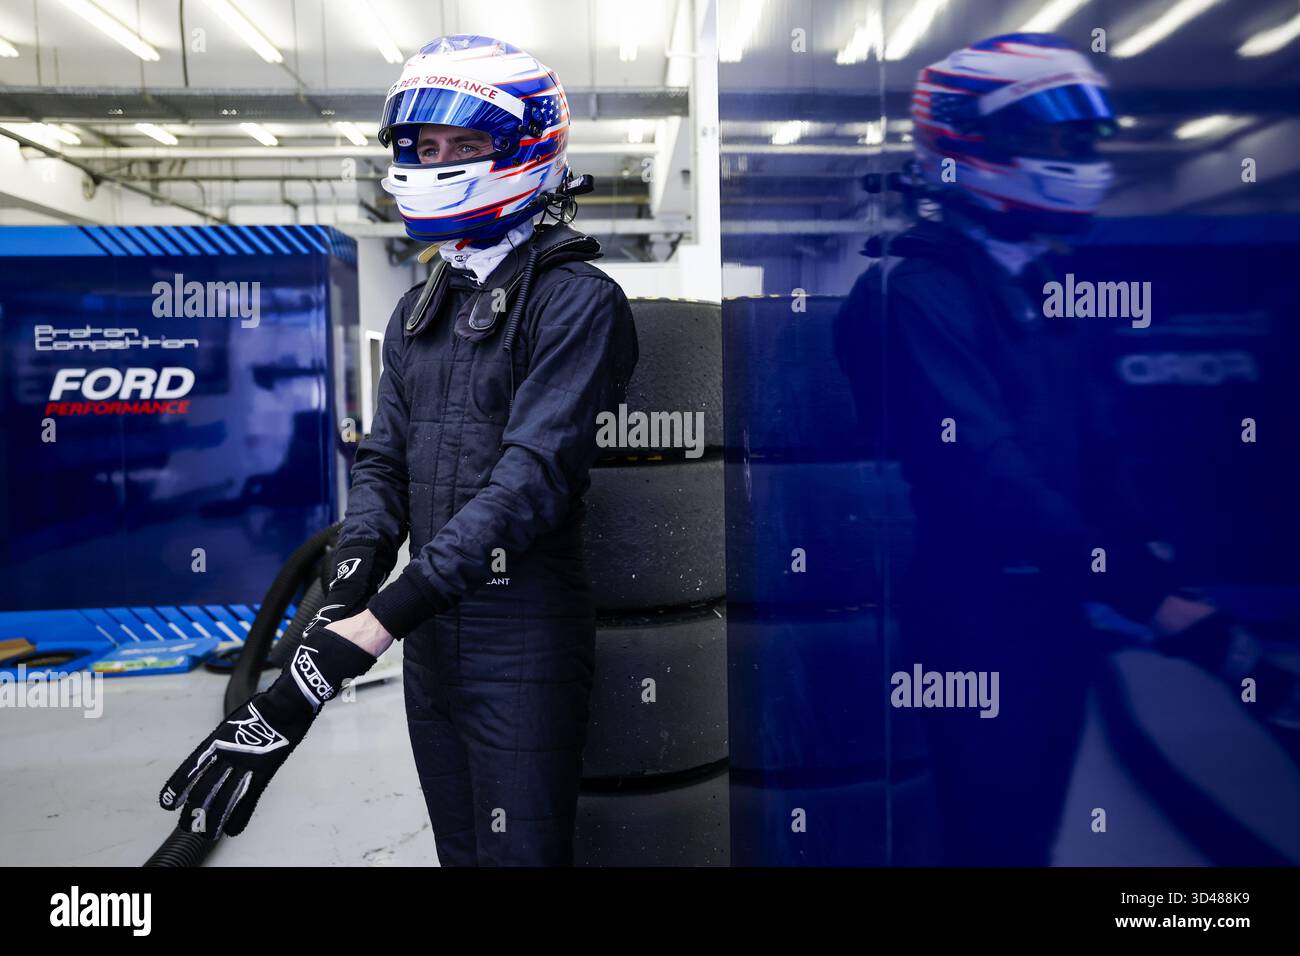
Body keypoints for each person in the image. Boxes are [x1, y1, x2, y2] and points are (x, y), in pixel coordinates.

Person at [160, 34, 639, 866]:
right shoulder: (422, 307)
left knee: (520, 855)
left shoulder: (577, 303)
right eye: (424, 146)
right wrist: (349, 590)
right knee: (459, 851)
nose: (438, 159)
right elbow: (383, 463)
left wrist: (380, 623)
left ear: (526, 149)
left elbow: (528, 485)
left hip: (522, 634)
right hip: (431, 639)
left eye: (466, 144)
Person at [834, 33, 1226, 864]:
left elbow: (1092, 454)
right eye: (1056, 140)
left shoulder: (1034, 286)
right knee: (988, 830)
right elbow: (982, 470)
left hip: (1055, 608)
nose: (1076, 157)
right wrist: (1148, 599)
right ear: (974, 141)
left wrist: (1148, 570)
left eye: (1083, 140)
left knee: (1034, 827)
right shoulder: (907, 292)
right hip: (970, 621)